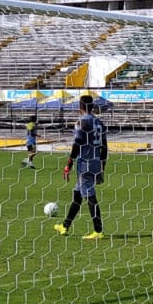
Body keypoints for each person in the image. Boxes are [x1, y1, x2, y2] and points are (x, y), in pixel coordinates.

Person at [54, 94, 113, 239]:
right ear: (92, 106)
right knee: (77, 194)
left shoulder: (82, 122)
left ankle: (98, 231)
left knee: (90, 196)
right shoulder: (99, 122)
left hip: (85, 164)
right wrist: (101, 168)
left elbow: (77, 143)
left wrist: (69, 164)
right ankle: (65, 226)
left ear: (80, 106)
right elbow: (104, 147)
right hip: (96, 162)